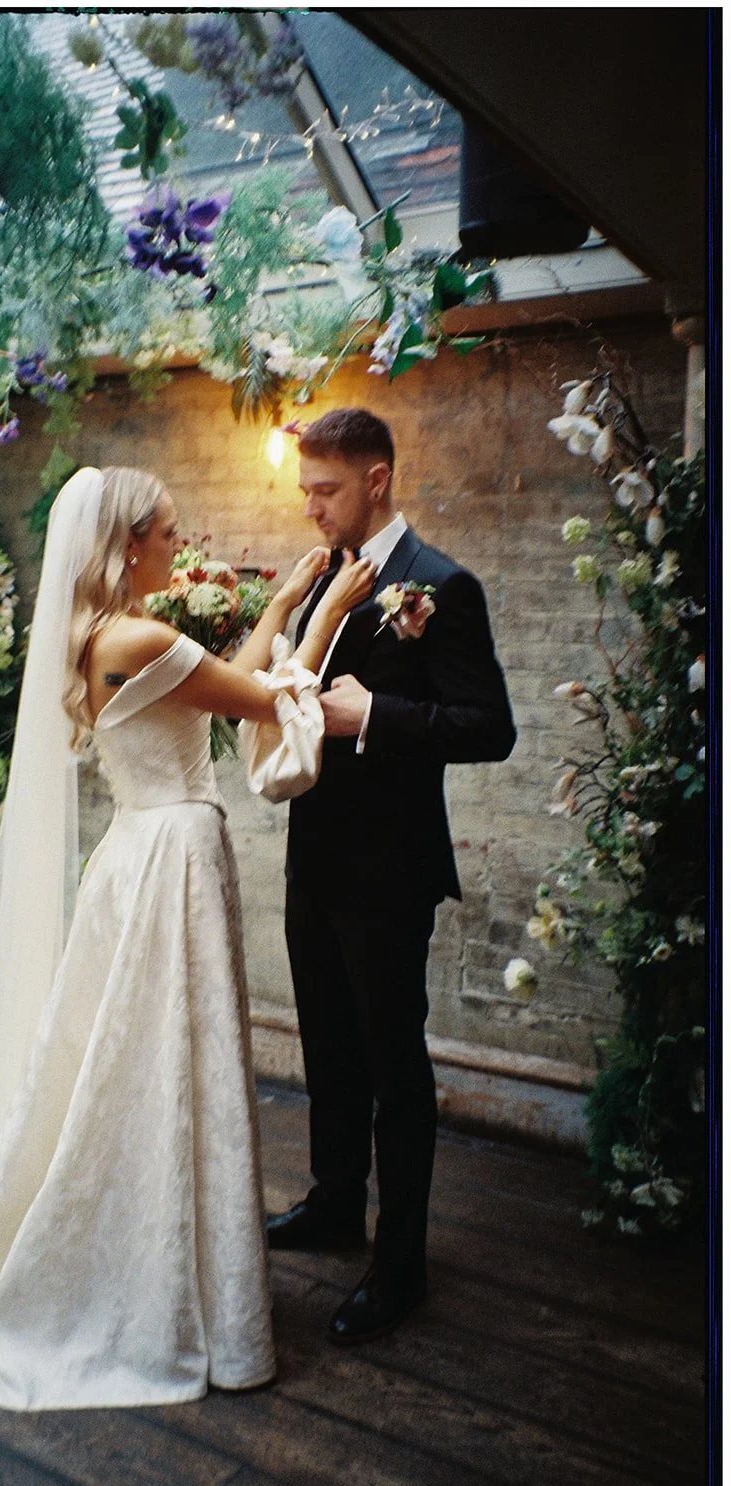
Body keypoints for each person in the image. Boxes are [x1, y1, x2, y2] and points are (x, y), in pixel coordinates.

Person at [0, 465, 373, 1412]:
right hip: (175, 861)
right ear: (125, 546)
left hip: (132, 854)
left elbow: (221, 678)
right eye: (164, 531)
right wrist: (322, 614)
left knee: (130, 1051)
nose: (176, 544)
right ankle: (157, 1271)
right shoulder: (148, 635)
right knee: (166, 1050)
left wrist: (279, 601)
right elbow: (267, 700)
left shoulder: (96, 639)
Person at [267, 408, 517, 1344]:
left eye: (325, 491)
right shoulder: (319, 580)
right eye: (304, 492)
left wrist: (375, 716)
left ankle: (399, 1263)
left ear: (377, 481)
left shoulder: (441, 586)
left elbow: (489, 728)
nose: (312, 509)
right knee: (326, 1049)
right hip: (313, 861)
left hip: (391, 873)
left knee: (392, 1066)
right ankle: (334, 1203)